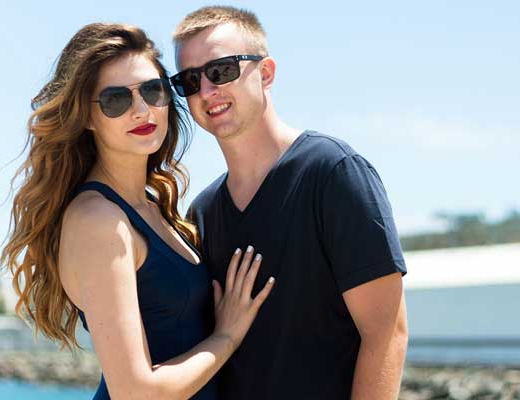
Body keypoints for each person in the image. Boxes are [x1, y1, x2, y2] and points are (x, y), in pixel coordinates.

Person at [0, 23, 275, 400]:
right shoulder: (99, 221)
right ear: (86, 117)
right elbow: (134, 392)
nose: (142, 110)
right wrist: (226, 336)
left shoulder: (152, 209)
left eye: (152, 91)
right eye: (116, 100)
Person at [172, 6, 409, 400]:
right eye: (190, 80)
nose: (207, 90)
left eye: (222, 70)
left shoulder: (334, 173)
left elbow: (386, 334)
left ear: (265, 73)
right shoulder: (203, 212)